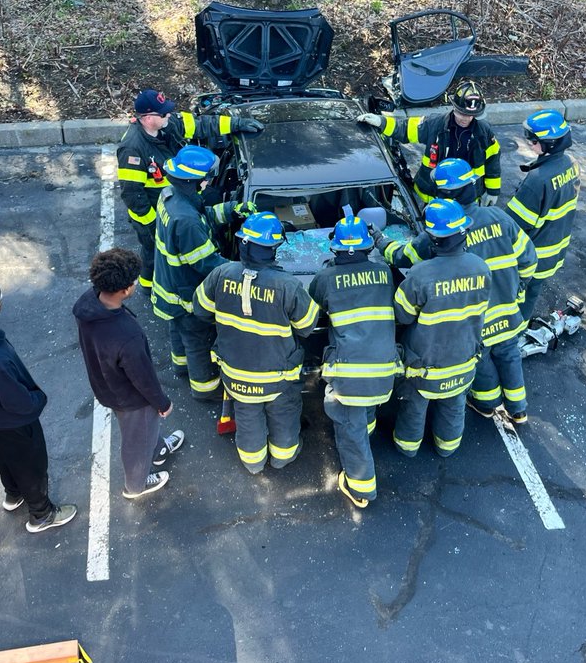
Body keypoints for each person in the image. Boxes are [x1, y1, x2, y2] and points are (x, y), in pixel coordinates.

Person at [378, 160, 537, 424]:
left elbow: (402, 257)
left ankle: (486, 404)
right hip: (509, 313)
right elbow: (529, 259)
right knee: (510, 355)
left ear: (444, 193)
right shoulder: (500, 218)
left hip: (477, 323)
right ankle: (518, 409)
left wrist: (381, 242)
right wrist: (517, 291)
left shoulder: (439, 233)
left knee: (482, 361)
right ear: (471, 186)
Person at [193, 212, 319, 474]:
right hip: (278, 378)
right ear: (274, 248)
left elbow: (200, 309)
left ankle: (253, 464)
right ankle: (283, 458)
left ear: (242, 243)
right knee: (283, 416)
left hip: (236, 375)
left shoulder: (220, 274)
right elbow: (307, 326)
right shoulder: (288, 286)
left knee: (248, 418)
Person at [0, 274, 77, 533]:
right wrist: (36, 400)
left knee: (6, 456)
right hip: (14, 420)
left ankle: (13, 493)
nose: (1, 302)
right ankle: (41, 514)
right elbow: (18, 402)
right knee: (31, 464)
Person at [116, 88, 262, 292]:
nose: (169, 115)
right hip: (152, 212)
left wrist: (237, 124)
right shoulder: (132, 149)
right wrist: (154, 225)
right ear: (148, 118)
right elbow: (132, 195)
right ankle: (148, 287)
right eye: (163, 113)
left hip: (178, 196)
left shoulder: (169, 123)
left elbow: (203, 125)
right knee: (153, 252)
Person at [74, 248, 185, 500]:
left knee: (144, 429)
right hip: (131, 398)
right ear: (124, 290)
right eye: (133, 281)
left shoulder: (88, 303)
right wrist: (162, 402)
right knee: (136, 440)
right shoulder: (127, 336)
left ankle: (157, 449)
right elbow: (142, 378)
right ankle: (136, 485)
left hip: (106, 383)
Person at [309, 207, 400, 508]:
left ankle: (360, 488)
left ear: (334, 246)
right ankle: (367, 428)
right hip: (385, 369)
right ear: (368, 246)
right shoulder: (384, 272)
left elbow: (314, 308)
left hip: (350, 377)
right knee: (364, 414)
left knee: (349, 428)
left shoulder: (325, 277)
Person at [391, 198, 490, 458]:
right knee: (454, 407)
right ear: (463, 232)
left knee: (413, 408)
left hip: (424, 368)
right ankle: (447, 448)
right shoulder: (481, 268)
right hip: (463, 363)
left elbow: (402, 315)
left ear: (432, 239)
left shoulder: (421, 275)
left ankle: (407, 448)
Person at [152, 144, 247, 401]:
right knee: (197, 340)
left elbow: (203, 215)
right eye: (204, 179)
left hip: (169, 285)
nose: (207, 183)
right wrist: (242, 270)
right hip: (185, 292)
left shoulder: (172, 195)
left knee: (178, 330)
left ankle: (180, 366)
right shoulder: (186, 220)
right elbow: (207, 264)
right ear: (191, 181)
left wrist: (231, 210)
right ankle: (205, 388)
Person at [357, 80, 502, 205]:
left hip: (467, 195)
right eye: (462, 113)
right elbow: (406, 129)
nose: (466, 118)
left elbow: (493, 161)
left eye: (471, 115)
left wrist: (493, 191)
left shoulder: (484, 132)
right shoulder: (435, 124)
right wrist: (381, 122)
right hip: (436, 194)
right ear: (454, 107)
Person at [506, 110, 580, 321]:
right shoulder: (571, 163)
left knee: (522, 296)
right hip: (555, 248)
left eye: (533, 139)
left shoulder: (537, 181)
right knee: (534, 290)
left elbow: (513, 226)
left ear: (550, 144)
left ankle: (516, 332)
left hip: (533, 254)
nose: (529, 142)